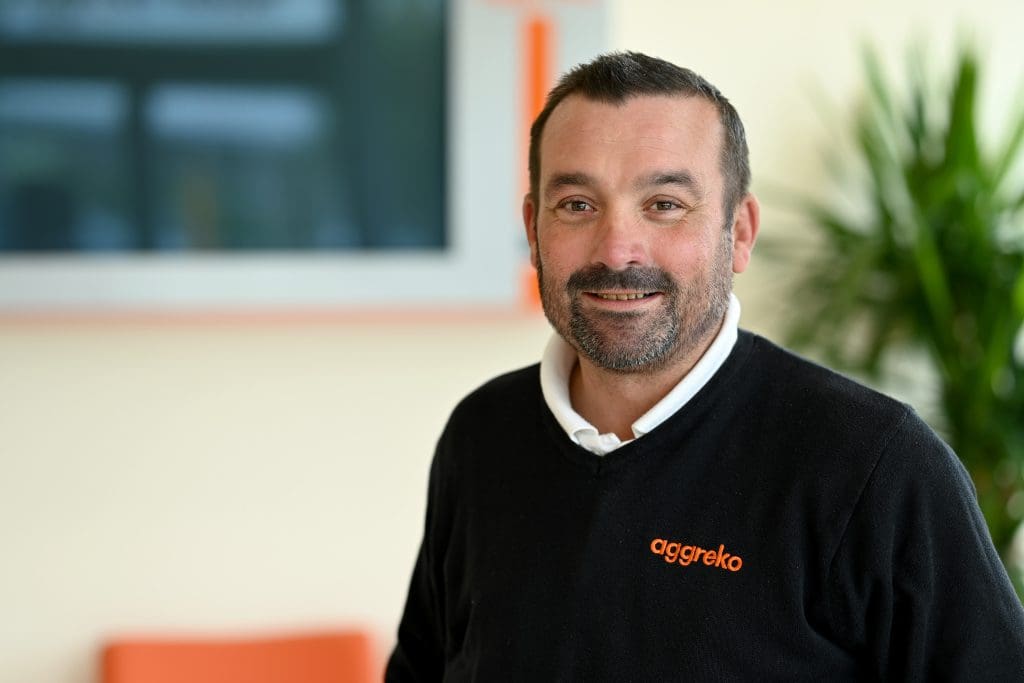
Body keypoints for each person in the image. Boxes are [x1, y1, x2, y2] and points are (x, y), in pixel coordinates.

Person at [386, 51, 1024, 681]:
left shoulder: (874, 464)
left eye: (664, 204)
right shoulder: (481, 435)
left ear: (739, 232)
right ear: (533, 230)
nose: (617, 250)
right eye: (577, 204)